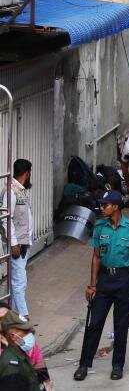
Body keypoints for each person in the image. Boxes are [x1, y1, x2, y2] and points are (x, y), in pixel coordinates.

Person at [74, 189, 129, 382]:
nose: (101, 208)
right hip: (104, 279)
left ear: (115, 207)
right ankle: (84, 364)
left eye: (105, 205)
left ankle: (117, 366)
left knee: (121, 325)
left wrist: (127, 259)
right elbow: (96, 257)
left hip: (123, 279)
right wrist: (92, 285)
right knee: (94, 323)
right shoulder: (100, 226)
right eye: (101, 205)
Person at [7, 159, 33, 320]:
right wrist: (13, 243)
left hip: (24, 242)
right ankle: (23, 317)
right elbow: (6, 219)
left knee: (18, 281)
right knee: (19, 281)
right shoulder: (11, 191)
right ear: (27, 173)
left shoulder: (20, 190)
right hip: (17, 244)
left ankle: (14, 316)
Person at [0, 310, 41, 391]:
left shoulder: (19, 353)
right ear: (13, 336)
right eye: (26, 331)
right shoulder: (11, 366)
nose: (31, 333)